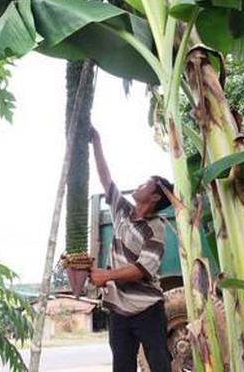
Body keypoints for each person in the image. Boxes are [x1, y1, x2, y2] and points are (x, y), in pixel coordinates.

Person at [89, 126, 173, 372]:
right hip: (118, 311)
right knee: (122, 367)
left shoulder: (156, 228)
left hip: (147, 309)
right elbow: (107, 179)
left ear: (155, 197)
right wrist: (97, 142)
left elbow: (142, 269)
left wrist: (106, 275)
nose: (138, 185)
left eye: (145, 184)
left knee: (160, 365)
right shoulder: (122, 212)